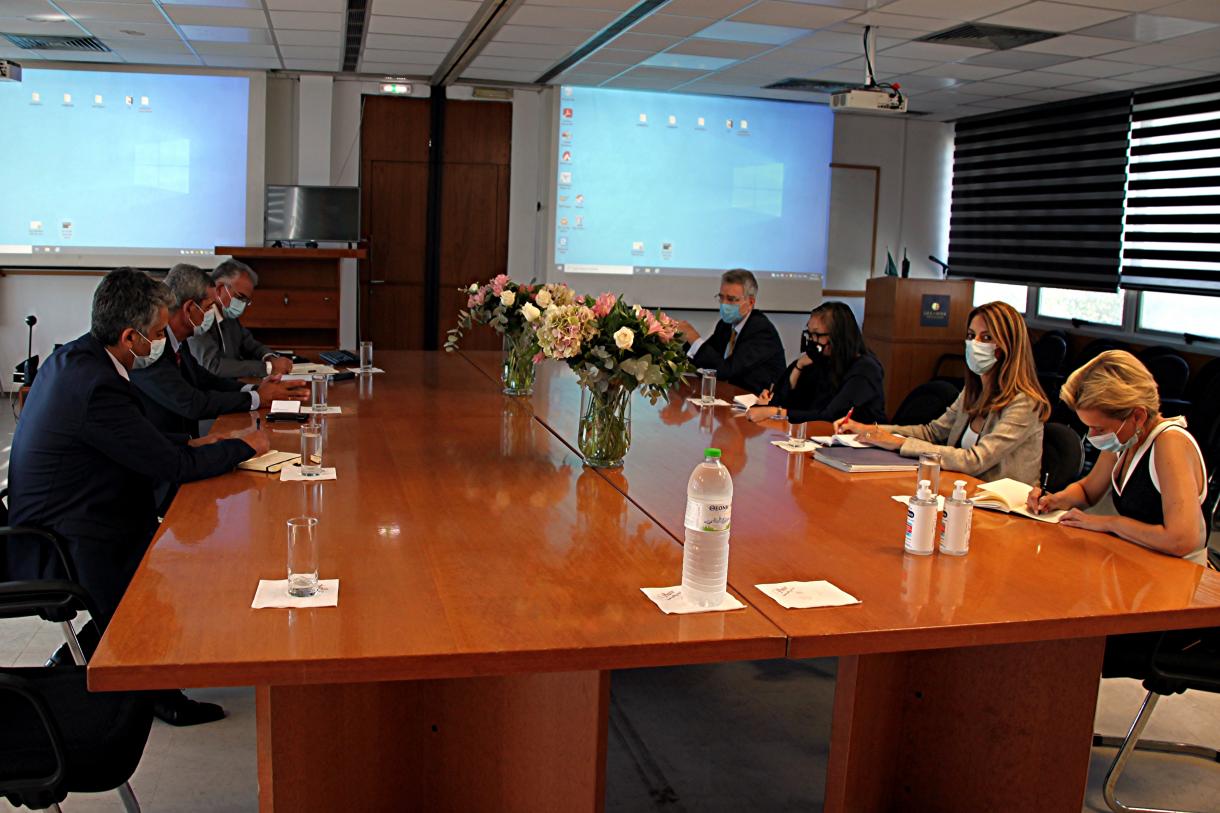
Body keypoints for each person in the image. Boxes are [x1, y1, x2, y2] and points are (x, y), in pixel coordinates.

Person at [6, 267, 270, 725]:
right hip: (62, 539)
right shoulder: (97, 385)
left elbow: (137, 441)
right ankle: (154, 691)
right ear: (130, 336)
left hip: (72, 512)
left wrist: (194, 444)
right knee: (169, 565)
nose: (160, 342)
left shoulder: (78, 358)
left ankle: (83, 664)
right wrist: (243, 446)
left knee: (170, 539)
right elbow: (172, 468)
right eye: (154, 333)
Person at [837, 301, 1050, 484]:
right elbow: (933, 433)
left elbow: (974, 460)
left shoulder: (1025, 402)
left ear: (1009, 346)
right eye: (971, 335)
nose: (975, 344)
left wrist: (900, 443)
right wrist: (869, 430)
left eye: (986, 338)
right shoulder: (973, 391)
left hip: (1006, 512)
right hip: (963, 494)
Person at [1027, 350, 1209, 564]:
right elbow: (1088, 491)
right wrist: (1056, 499)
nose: (1092, 437)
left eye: (1099, 429)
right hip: (1141, 560)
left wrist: (1110, 523)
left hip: (1181, 575)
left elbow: (1181, 540)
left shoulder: (1169, 443)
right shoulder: (1125, 436)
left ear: (1138, 416)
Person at [132, 264, 307, 439]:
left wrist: (256, 389)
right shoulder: (150, 349)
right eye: (208, 308)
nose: (211, 313)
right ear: (189, 309)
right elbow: (193, 403)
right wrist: (257, 397)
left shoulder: (177, 341)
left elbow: (205, 379)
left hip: (187, 444)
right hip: (166, 450)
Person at [746, 301, 885, 425]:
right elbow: (781, 403)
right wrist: (798, 368)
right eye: (810, 334)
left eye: (817, 335)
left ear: (837, 336)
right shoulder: (818, 361)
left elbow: (830, 416)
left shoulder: (865, 369)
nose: (812, 340)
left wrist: (776, 412)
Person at [673, 269, 786, 394]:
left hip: (758, 403)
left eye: (731, 299)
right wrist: (677, 343)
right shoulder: (725, 325)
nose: (724, 304)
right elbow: (707, 359)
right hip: (729, 397)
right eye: (721, 298)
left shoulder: (761, 330)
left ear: (750, 302)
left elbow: (726, 371)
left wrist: (693, 336)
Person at [189, 259, 293, 379]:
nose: (242, 304)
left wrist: (270, 357)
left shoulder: (229, 317)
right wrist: (268, 368)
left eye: (246, 301)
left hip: (231, 389)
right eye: (240, 297)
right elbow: (213, 366)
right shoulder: (199, 317)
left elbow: (251, 345)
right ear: (219, 289)